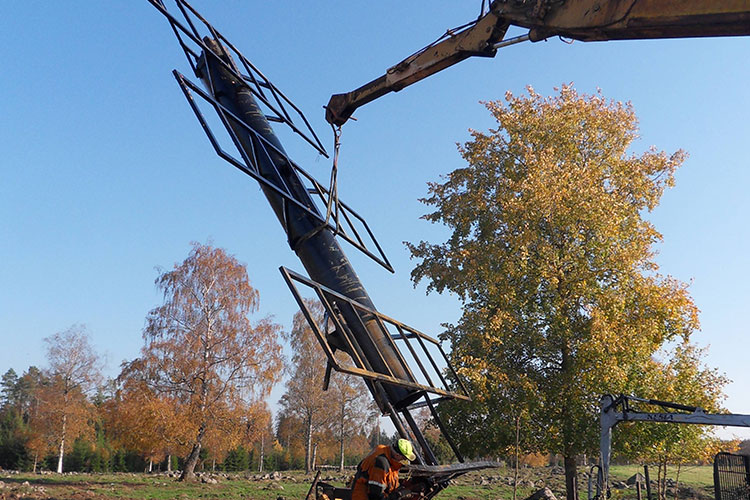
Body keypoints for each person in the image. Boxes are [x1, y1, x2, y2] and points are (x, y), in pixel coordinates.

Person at [351, 439, 417, 500]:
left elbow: (388, 478)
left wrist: (402, 484)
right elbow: (376, 496)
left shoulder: (385, 452)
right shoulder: (381, 464)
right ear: (397, 455)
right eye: (404, 458)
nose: (404, 461)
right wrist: (398, 495)